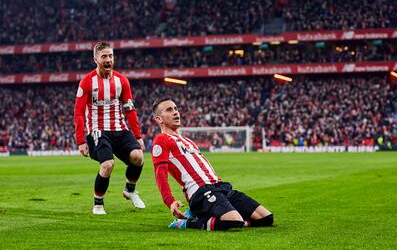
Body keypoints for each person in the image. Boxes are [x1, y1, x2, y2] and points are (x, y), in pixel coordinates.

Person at [151, 97, 274, 230]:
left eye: (176, 108)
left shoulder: (187, 140)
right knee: (234, 222)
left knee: (266, 218)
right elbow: (160, 174)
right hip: (200, 191)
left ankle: (204, 216)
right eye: (169, 110)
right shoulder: (161, 140)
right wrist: (170, 201)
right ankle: (188, 222)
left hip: (220, 187)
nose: (175, 112)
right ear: (159, 119)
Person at [74, 42, 145, 215]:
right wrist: (81, 141)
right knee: (107, 165)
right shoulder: (87, 82)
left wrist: (138, 135)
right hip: (98, 130)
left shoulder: (122, 81)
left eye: (110, 56)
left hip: (119, 129)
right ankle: (98, 204)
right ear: (95, 59)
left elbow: (130, 109)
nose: (108, 59)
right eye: (104, 56)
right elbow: (78, 113)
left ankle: (130, 190)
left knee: (138, 157)